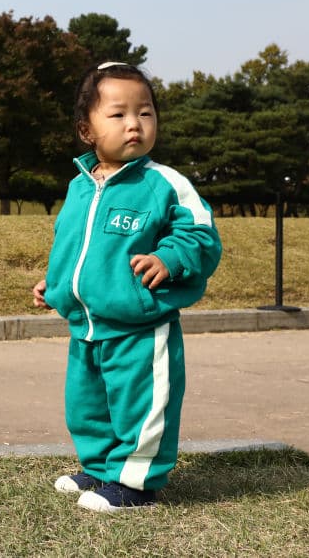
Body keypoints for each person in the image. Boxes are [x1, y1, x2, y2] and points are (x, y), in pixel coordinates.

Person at [32, 62, 222, 512]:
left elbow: (201, 234)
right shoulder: (81, 187)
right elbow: (72, 248)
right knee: (88, 406)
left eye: (146, 113)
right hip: (87, 327)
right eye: (118, 114)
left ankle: (135, 484)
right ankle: (100, 470)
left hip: (140, 325)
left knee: (141, 404)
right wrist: (54, 283)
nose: (134, 124)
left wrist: (169, 259)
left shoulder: (164, 183)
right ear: (87, 129)